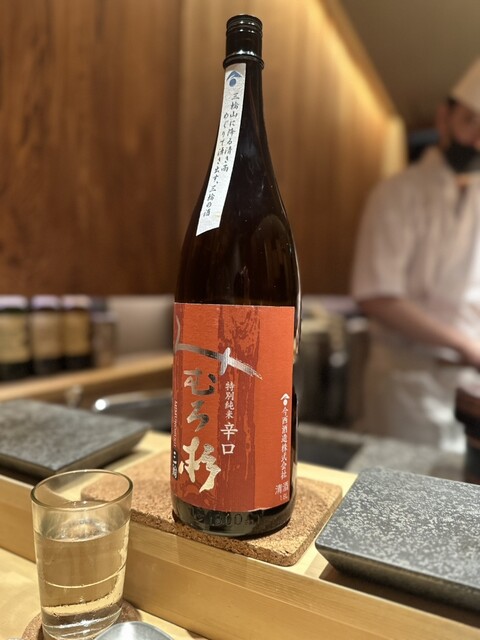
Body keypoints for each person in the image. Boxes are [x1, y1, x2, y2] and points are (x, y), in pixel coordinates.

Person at [351, 57, 480, 453]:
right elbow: (376, 295)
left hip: (468, 388)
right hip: (405, 386)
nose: (477, 140)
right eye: (470, 121)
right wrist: (466, 347)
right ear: (444, 118)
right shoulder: (396, 194)